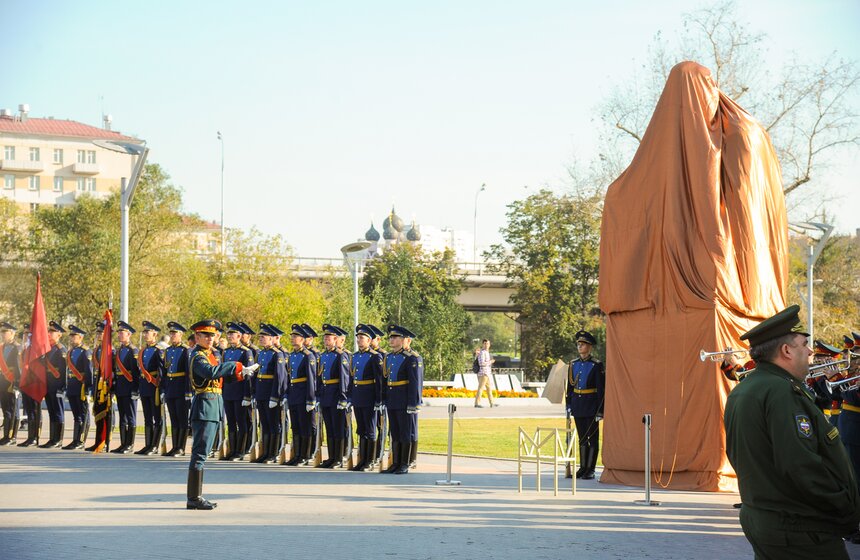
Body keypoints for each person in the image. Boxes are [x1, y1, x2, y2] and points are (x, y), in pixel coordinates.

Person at [725, 305, 860, 559]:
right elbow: (801, 465)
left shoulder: (745, 389)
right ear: (786, 351)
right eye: (803, 344)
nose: (810, 351)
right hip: (800, 530)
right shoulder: (782, 393)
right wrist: (846, 507)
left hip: (767, 519)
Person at [186, 319, 258, 510]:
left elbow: (220, 377)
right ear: (197, 336)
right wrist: (235, 365)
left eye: (213, 335)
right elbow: (210, 373)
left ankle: (196, 496)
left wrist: (241, 374)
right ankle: (193, 497)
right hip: (204, 407)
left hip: (213, 406)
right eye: (206, 335)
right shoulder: (197, 356)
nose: (211, 339)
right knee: (200, 453)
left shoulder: (210, 355)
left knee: (203, 452)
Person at [383, 324, 423, 475]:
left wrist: (414, 403)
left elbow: (415, 382)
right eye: (391, 337)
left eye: (395, 337)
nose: (392, 340)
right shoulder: (390, 357)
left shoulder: (412, 358)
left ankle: (405, 463)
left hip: (405, 400)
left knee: (406, 432)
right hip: (393, 399)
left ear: (407, 341)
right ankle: (396, 462)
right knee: (395, 432)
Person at [565, 330, 605, 479]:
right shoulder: (573, 364)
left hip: (591, 406)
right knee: (582, 437)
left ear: (590, 347)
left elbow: (601, 390)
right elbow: (570, 387)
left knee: (592, 438)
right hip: (578, 405)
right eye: (578, 344)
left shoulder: (596, 365)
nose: (580, 347)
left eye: (583, 344)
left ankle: (591, 469)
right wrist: (569, 404)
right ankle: (582, 467)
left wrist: (600, 411)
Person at [350, 324, 384, 471]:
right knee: (361, 429)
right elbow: (352, 379)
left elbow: (379, 381)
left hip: (369, 397)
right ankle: (362, 460)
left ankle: (370, 460)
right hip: (358, 396)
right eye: (358, 338)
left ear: (369, 340)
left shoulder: (375, 357)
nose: (359, 340)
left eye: (362, 338)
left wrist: (379, 400)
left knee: (370, 430)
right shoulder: (355, 356)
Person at [317, 324, 351, 468]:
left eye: (328, 338)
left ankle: (338, 458)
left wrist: (343, 398)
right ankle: (331, 457)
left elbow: (344, 378)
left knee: (338, 428)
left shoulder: (340, 355)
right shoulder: (323, 355)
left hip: (336, 395)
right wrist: (318, 396)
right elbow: (319, 377)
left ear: (335, 339)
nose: (326, 340)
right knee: (329, 428)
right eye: (325, 337)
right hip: (325, 395)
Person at [221, 322, 254, 461]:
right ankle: (232, 449)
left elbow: (249, 375)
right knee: (231, 422)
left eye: (232, 334)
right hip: (228, 390)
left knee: (241, 422)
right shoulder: (226, 352)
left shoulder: (246, 352)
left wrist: (247, 395)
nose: (229, 336)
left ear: (239, 336)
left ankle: (241, 450)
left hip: (240, 391)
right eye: (228, 334)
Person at [285, 324, 317, 465]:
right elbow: (288, 377)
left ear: (303, 339)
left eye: (296, 336)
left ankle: (305, 455)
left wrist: (310, 399)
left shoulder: (308, 356)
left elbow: (311, 379)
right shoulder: (291, 355)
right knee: (296, 426)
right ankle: (297, 454)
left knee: (305, 426)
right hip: (293, 395)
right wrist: (286, 395)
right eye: (292, 336)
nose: (293, 339)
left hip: (304, 395)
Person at [136, 321, 166, 455]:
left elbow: (162, 371)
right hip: (144, 385)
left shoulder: (158, 351)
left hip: (154, 387)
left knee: (157, 417)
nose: (146, 334)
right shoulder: (143, 350)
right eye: (145, 332)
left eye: (148, 332)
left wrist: (162, 388)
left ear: (155, 334)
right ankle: (148, 444)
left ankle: (154, 445)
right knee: (147, 417)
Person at [111, 321, 140, 454]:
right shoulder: (119, 350)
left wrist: (135, 389)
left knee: (130, 416)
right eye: (118, 332)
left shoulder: (133, 350)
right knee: (122, 415)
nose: (119, 335)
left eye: (122, 333)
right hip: (120, 387)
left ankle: (130, 444)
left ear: (129, 334)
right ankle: (123, 443)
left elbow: (135, 372)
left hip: (129, 387)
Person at [63, 324, 93, 450]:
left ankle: (81, 440)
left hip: (81, 386)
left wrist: (87, 387)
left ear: (80, 337)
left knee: (83, 413)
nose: (71, 338)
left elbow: (89, 371)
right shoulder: (71, 352)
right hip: (72, 385)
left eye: (74, 336)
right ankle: (75, 439)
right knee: (76, 415)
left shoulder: (85, 352)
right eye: (71, 336)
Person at [163, 322, 191, 456]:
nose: (172, 335)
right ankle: (174, 446)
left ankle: (181, 448)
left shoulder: (185, 350)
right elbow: (165, 371)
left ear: (181, 335)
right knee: (173, 418)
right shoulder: (168, 350)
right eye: (171, 333)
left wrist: (188, 391)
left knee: (182, 418)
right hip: (170, 387)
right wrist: (164, 389)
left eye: (175, 333)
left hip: (181, 388)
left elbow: (188, 373)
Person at [41, 321, 68, 448]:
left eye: (52, 332)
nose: (49, 333)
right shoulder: (48, 348)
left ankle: (58, 440)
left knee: (58, 411)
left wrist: (62, 387)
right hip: (48, 384)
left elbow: (63, 371)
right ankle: (52, 438)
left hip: (57, 384)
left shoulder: (60, 350)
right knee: (51, 411)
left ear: (59, 335)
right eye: (49, 331)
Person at [0, 322, 21, 446]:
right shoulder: (2, 347)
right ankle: (6, 435)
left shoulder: (17, 347)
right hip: (2, 380)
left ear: (12, 333)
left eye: (5, 332)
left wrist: (17, 383)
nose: (3, 335)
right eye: (2, 332)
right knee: (5, 409)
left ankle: (12, 437)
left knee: (13, 409)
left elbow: (19, 367)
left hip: (12, 380)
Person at [474, 339, 497, 408]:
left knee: (489, 388)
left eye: (488, 344)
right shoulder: (482, 353)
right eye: (485, 343)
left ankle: (492, 403)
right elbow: (481, 364)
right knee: (481, 388)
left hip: (486, 373)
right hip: (483, 373)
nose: (486, 345)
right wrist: (490, 362)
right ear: (483, 344)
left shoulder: (486, 352)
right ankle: (477, 403)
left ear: (489, 345)